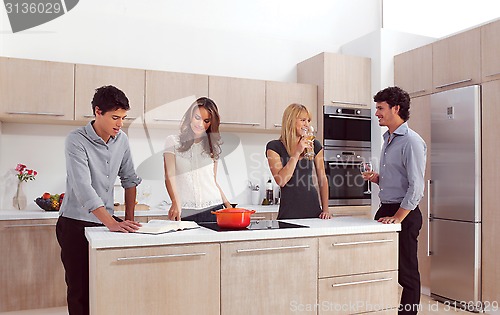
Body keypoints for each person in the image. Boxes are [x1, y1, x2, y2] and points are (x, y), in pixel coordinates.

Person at [56, 85, 142, 315]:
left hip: (106, 224)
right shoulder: (76, 140)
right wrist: (112, 222)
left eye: (123, 118)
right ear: (97, 112)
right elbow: (83, 188)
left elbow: (130, 179)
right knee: (80, 291)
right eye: (115, 117)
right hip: (75, 224)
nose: (120, 123)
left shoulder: (121, 140)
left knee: (107, 287)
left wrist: (129, 220)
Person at [363, 86, 426, 315]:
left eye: (380, 108)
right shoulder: (388, 139)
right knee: (387, 270)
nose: (377, 113)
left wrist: (398, 218)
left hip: (404, 215)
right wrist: (378, 178)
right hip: (386, 211)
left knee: (407, 274)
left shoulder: (412, 141)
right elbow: (399, 180)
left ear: (396, 108)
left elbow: (416, 187)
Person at [164, 97, 231, 222]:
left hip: (214, 209)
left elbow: (213, 181)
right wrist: (175, 201)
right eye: (197, 118)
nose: (200, 124)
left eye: (206, 121)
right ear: (190, 116)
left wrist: (228, 206)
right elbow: (169, 176)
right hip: (184, 210)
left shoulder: (212, 146)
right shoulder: (173, 141)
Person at [266, 103, 331, 220]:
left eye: (308, 121)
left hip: (314, 210)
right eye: (303, 120)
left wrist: (325, 210)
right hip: (289, 212)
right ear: (291, 121)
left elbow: (322, 179)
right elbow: (281, 181)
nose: (307, 124)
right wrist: (297, 153)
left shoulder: (315, 145)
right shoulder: (274, 147)